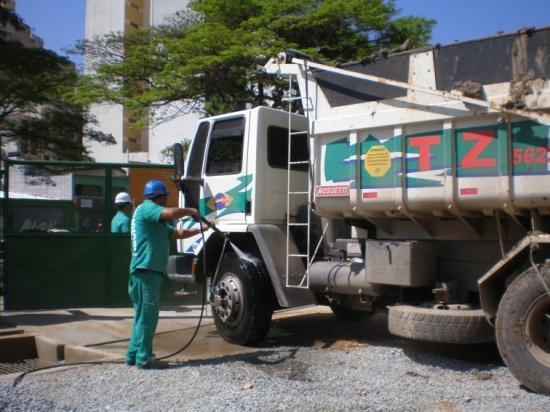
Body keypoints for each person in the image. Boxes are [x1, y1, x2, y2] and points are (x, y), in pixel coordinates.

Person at [126, 179, 205, 369]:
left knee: (142, 316)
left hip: (143, 273)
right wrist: (190, 211)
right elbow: (170, 213)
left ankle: (132, 355)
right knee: (148, 317)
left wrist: (203, 228)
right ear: (159, 197)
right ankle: (144, 358)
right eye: (165, 197)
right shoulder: (148, 209)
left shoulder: (155, 221)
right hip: (146, 271)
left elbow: (178, 233)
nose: (166, 201)